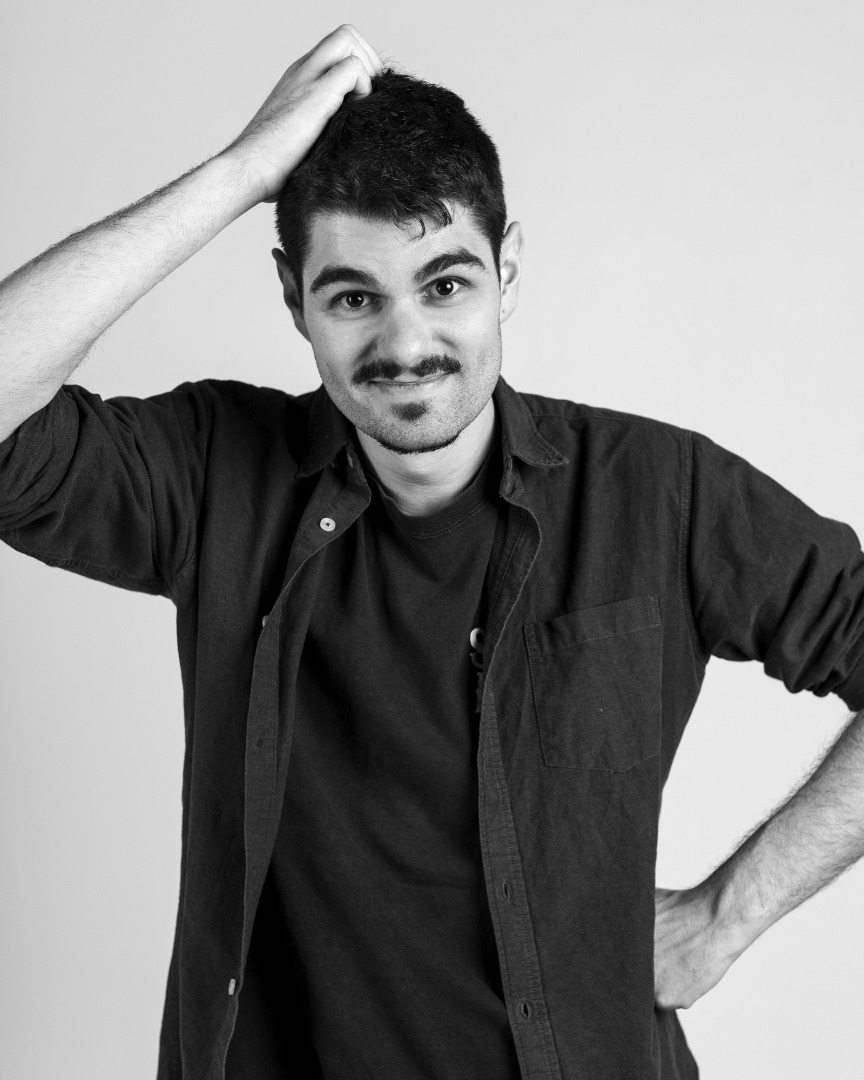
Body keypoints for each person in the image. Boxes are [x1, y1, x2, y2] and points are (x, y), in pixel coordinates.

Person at [1, 22, 863, 1080]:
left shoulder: (657, 492)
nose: (404, 344)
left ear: (508, 271)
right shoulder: (215, 475)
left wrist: (727, 917)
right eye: (353, 297)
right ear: (293, 299)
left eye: (445, 284)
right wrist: (238, 176)